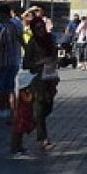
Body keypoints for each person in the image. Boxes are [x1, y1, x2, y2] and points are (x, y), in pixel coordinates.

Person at [22, 12, 61, 150]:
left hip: (49, 78)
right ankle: (43, 138)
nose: (40, 31)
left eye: (41, 27)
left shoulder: (50, 40)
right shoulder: (32, 43)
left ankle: (34, 123)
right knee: (39, 108)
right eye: (37, 28)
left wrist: (54, 62)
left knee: (48, 107)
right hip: (37, 80)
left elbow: (55, 56)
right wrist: (40, 63)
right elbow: (26, 63)